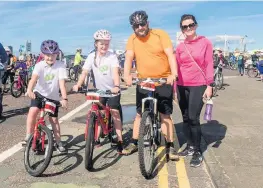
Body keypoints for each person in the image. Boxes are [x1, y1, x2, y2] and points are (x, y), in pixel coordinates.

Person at [123, 10, 179, 160]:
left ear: (147, 23)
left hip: (163, 81)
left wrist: (173, 74)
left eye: (142, 24)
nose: (140, 27)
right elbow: (129, 58)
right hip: (144, 81)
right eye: (136, 25)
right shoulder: (132, 39)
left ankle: (170, 146)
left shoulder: (160, 34)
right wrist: (126, 75)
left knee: (164, 115)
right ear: (133, 27)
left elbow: (170, 55)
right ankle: (134, 142)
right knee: (140, 114)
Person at [72, 29, 124, 154]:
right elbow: (84, 72)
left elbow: (116, 72)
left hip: (112, 90)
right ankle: (96, 137)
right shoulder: (91, 56)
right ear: (96, 44)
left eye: (107, 43)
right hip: (99, 90)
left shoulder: (112, 56)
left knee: (115, 112)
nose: (104, 46)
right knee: (99, 112)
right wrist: (78, 84)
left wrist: (117, 85)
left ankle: (120, 141)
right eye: (102, 43)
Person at [175, 14, 214, 167]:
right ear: (182, 29)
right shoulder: (180, 47)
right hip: (181, 85)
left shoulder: (205, 42)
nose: (188, 28)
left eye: (191, 25)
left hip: (198, 85)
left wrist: (209, 85)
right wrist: (174, 89)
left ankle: (197, 150)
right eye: (185, 26)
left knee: (193, 117)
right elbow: (177, 68)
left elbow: (209, 63)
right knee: (184, 117)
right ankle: (190, 146)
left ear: (196, 25)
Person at [25, 40, 68, 153]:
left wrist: (64, 98)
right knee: (33, 111)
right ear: (43, 54)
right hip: (39, 94)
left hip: (53, 97)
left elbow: (62, 84)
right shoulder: (39, 65)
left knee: (53, 120)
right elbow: (33, 79)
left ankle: (58, 142)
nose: (50, 57)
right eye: (47, 55)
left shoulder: (60, 65)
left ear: (57, 54)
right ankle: (29, 136)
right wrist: (29, 90)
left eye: (53, 55)